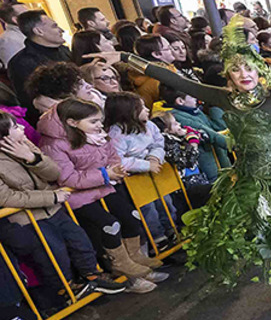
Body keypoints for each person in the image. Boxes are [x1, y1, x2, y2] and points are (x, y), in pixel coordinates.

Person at [95, 18, 271, 304]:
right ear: (228, 76)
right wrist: (124, 57)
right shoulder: (223, 98)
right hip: (251, 183)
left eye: (247, 68)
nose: (243, 74)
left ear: (258, 71)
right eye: (235, 69)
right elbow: (176, 81)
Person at [36, 98, 163, 292]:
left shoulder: (96, 135)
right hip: (79, 197)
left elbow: (112, 154)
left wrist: (114, 169)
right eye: (93, 122)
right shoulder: (54, 144)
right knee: (109, 225)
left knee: (131, 216)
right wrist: (105, 174)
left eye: (99, 121)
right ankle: (121, 266)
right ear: (72, 122)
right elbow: (68, 178)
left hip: (103, 187)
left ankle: (134, 257)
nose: (100, 125)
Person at [0, 109, 127, 302]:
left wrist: (32, 158)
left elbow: (53, 173)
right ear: (4, 137)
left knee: (79, 240)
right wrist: (50, 197)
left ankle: (92, 276)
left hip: (54, 208)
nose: (21, 128)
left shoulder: (26, 145)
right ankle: (66, 290)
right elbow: (7, 197)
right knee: (54, 254)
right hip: (28, 218)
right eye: (15, 127)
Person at [105, 92, 174, 245]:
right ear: (128, 112)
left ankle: (171, 228)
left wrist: (154, 157)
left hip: (154, 170)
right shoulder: (116, 134)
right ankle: (157, 238)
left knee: (165, 201)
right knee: (148, 209)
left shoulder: (149, 125)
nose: (147, 110)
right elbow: (118, 160)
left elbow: (158, 142)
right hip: (134, 178)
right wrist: (145, 165)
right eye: (142, 108)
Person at [7, 10, 71, 111]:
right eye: (54, 26)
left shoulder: (64, 50)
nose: (61, 30)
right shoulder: (22, 63)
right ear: (38, 31)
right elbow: (33, 100)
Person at [0, 2, 28, 70]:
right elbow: (18, 70)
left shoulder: (30, 32)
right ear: (15, 20)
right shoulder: (8, 41)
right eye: (27, 14)